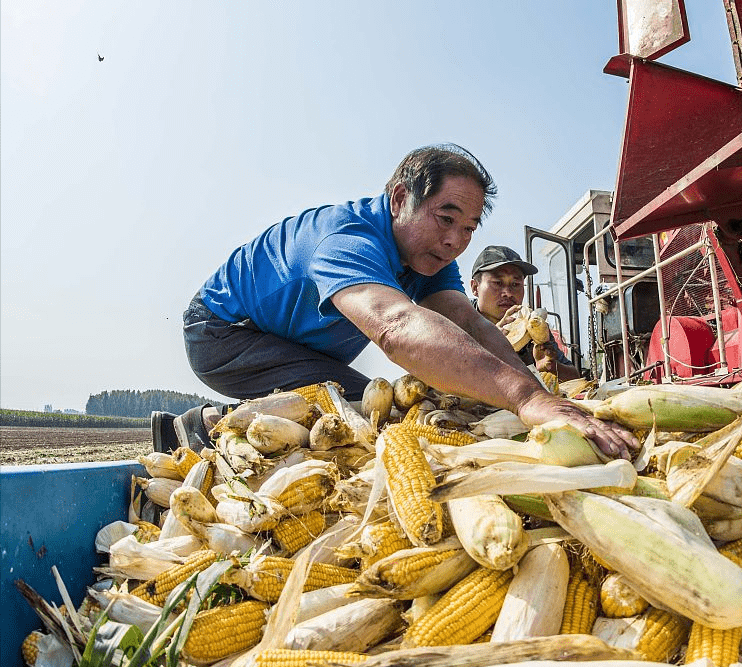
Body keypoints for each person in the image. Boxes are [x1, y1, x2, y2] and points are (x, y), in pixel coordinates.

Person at [181, 143, 636, 458]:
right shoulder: (346, 238)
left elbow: (471, 326)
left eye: (469, 229)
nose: (455, 241)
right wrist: (521, 398)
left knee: (367, 405)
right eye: (445, 218)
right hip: (225, 333)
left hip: (298, 346)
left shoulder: (430, 259)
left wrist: (537, 394)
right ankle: (204, 424)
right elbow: (396, 327)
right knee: (360, 408)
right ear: (400, 198)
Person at [469, 245, 582, 381]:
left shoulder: (530, 325)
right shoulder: (458, 318)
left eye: (516, 284)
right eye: (498, 283)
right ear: (475, 288)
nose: (508, 293)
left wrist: (551, 366)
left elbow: (575, 378)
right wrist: (490, 343)